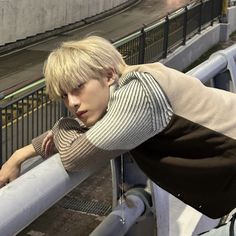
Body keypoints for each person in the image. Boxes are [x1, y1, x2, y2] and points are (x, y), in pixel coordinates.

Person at [0, 35, 235, 235]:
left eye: (78, 87)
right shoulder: (130, 88)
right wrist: (19, 155)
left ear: (109, 75)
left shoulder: (139, 94)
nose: (71, 102)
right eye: (64, 95)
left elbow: (74, 156)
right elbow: (86, 129)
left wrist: (62, 125)